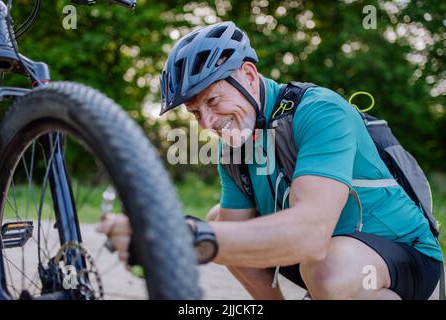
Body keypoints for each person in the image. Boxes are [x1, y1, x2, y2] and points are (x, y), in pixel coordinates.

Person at [96, 21, 443, 300]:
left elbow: (310, 235)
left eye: (213, 100)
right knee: (221, 220)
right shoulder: (234, 148)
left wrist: (180, 236)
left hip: (403, 255)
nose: (207, 122)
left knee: (329, 271)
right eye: (195, 112)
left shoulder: (321, 110)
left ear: (248, 75)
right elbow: (228, 235)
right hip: (324, 253)